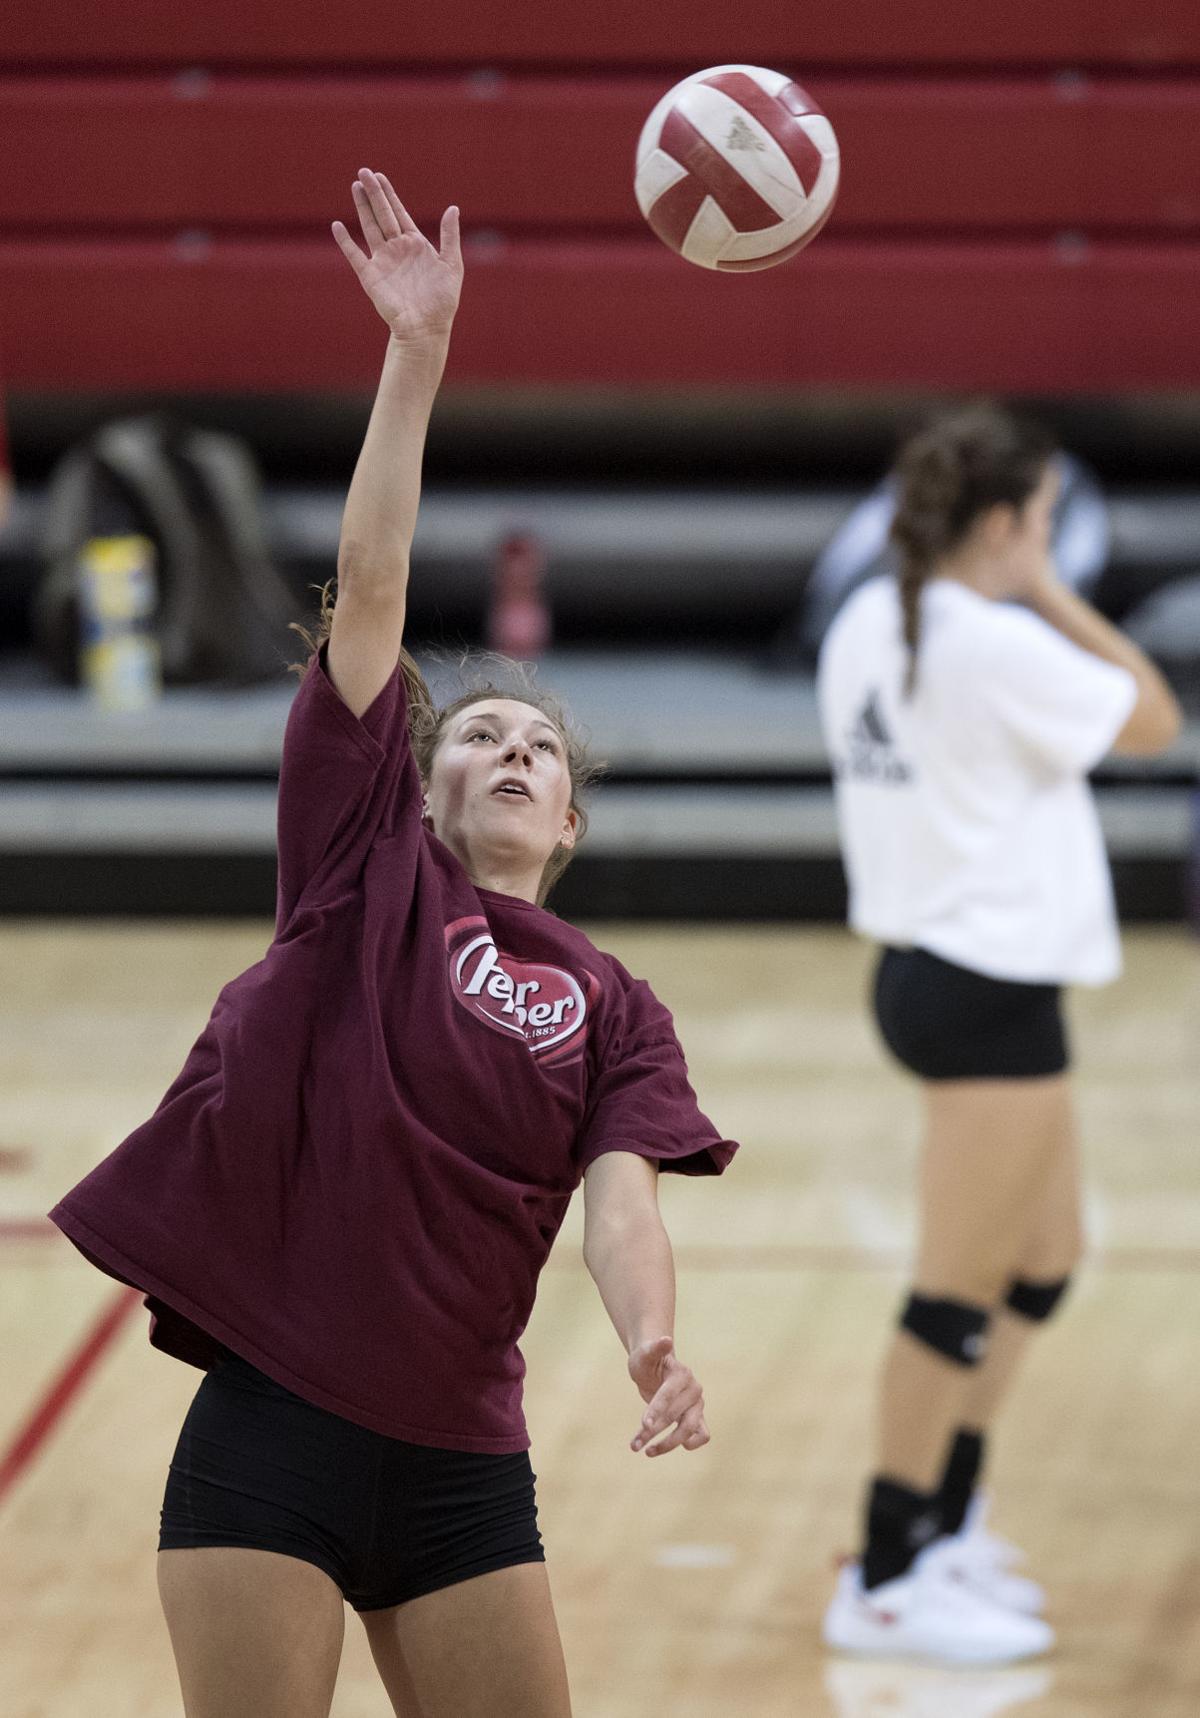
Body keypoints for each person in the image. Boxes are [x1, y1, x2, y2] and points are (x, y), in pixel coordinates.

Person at [49, 170, 736, 1718]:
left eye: (536, 749)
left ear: (564, 823)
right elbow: (369, 589)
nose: (507, 748)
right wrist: (415, 357)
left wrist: (652, 1344)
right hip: (271, 1430)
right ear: (418, 791)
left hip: (463, 1459)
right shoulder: (366, 873)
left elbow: (619, 1205)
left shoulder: (618, 1008)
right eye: (475, 734)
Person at [815, 403, 1181, 1664]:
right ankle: (887, 1568)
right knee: (952, 1296)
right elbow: (1154, 718)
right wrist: (1050, 594)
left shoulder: (871, 616)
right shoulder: (987, 639)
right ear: (1011, 522)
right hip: (984, 988)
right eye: (1039, 520)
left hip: (948, 974)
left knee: (1044, 1257)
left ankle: (945, 1513)